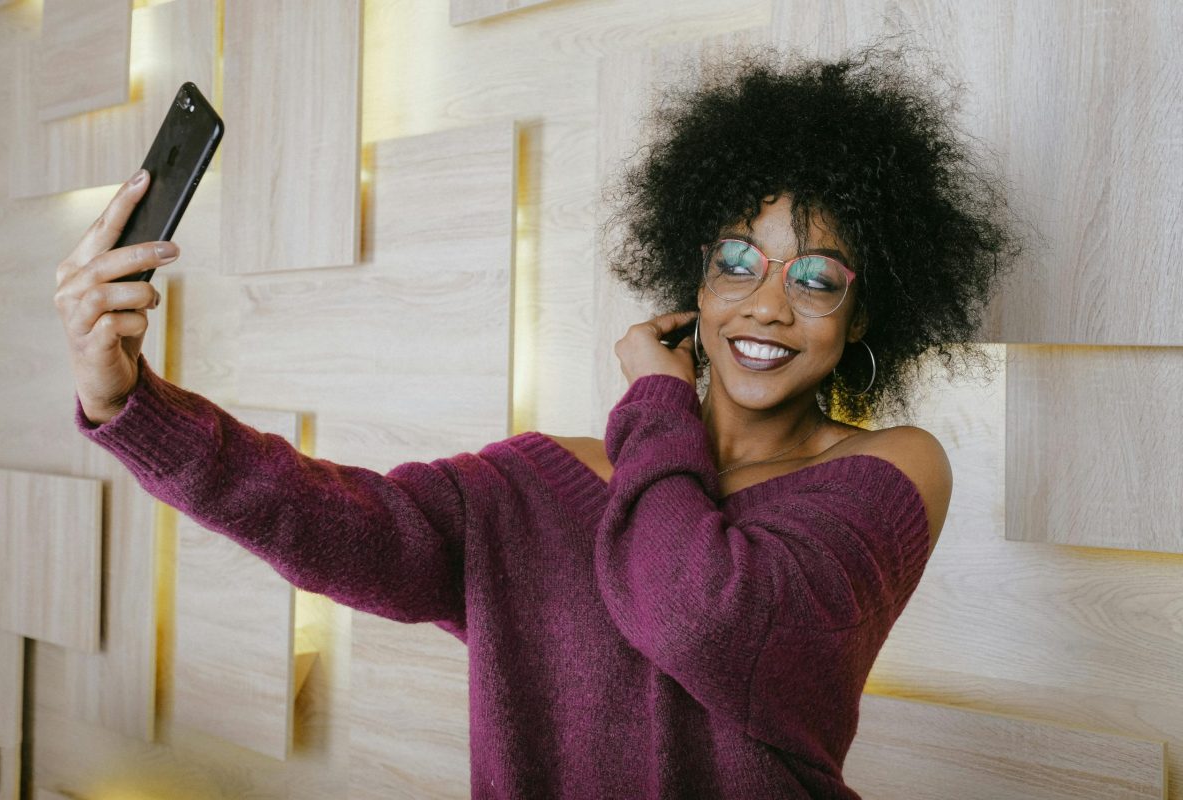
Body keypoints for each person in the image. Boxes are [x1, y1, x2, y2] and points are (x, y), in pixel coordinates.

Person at [55, 46, 1015, 800]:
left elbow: (698, 611)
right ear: (694, 281)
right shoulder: (532, 481)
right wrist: (126, 397)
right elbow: (320, 517)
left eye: (816, 279)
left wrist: (653, 398)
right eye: (738, 261)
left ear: (862, 319)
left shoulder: (889, 475)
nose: (765, 305)